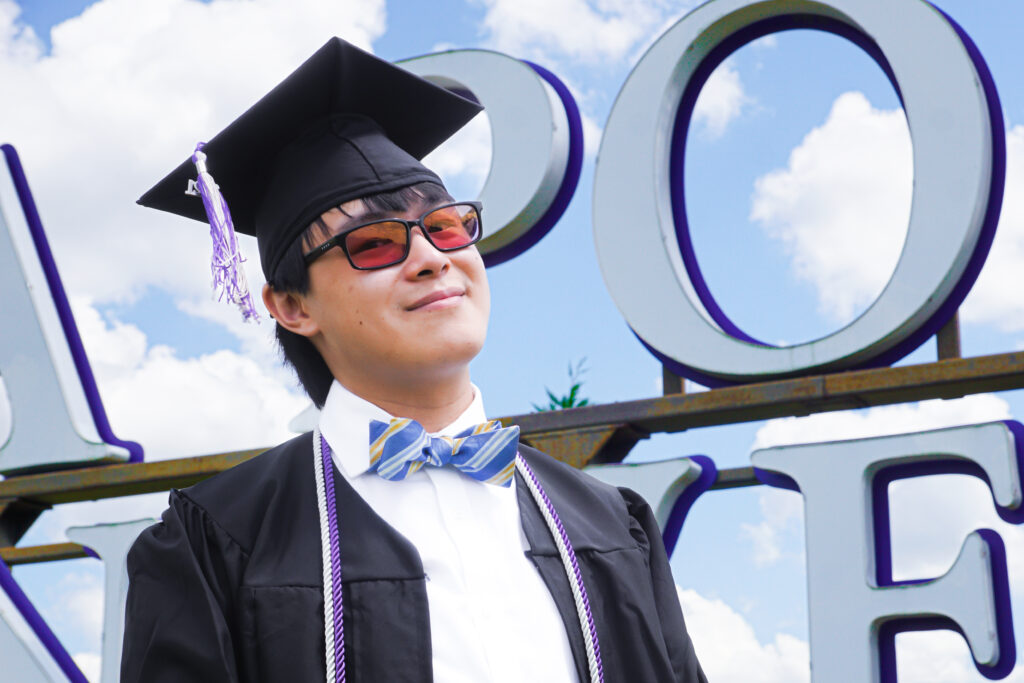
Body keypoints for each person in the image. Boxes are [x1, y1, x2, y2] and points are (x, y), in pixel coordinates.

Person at [121, 37, 707, 683]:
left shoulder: (611, 525)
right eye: (373, 243)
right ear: (291, 306)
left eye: (448, 226)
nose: (432, 256)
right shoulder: (217, 541)